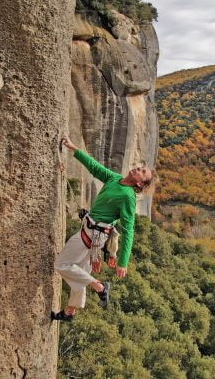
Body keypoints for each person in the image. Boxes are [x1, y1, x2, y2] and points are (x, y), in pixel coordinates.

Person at [50, 136, 155, 322]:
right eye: (140, 167)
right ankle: (69, 313)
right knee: (80, 273)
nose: (138, 168)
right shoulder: (115, 179)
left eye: (142, 172)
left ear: (140, 184)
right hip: (92, 236)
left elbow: (129, 229)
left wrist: (123, 261)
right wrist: (73, 147)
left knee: (62, 265)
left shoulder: (128, 197)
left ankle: (99, 287)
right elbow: (95, 167)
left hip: (91, 236)